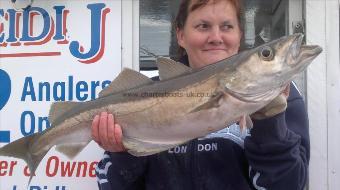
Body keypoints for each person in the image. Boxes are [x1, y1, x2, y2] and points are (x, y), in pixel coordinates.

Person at [92, 0, 310, 189]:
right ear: (180, 35)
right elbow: (113, 185)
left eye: (227, 26)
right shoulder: (145, 93)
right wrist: (123, 155)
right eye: (203, 26)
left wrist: (271, 126)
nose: (216, 37)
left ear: (239, 35)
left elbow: (289, 185)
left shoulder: (282, 97)